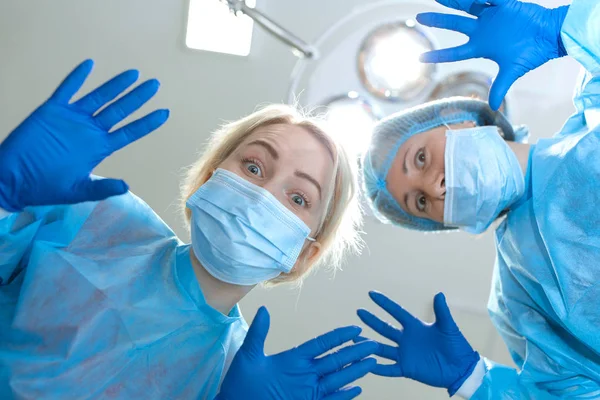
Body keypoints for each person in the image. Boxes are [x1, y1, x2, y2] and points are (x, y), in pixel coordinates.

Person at [0, 60, 377, 399]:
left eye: (298, 199)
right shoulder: (93, 215)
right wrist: (2, 194)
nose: (262, 196)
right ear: (209, 179)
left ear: (306, 253)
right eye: (254, 167)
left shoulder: (237, 378)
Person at [358, 0, 600, 398]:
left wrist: (558, 29)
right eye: (420, 203)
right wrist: (472, 381)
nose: (433, 187)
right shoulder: (519, 303)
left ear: (458, 118)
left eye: (419, 158)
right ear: (447, 224)